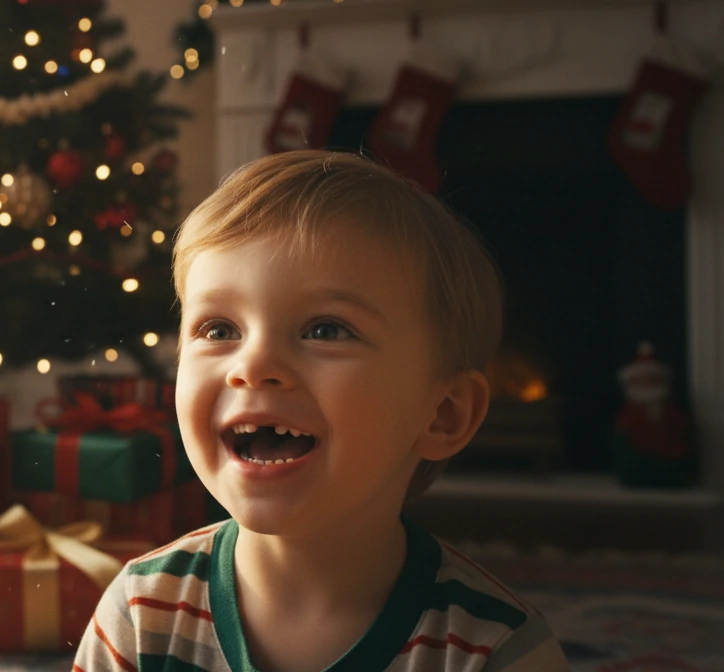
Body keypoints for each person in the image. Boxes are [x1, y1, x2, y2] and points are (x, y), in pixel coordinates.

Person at [74, 151, 568, 671]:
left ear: (443, 413)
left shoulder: (498, 651)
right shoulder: (140, 612)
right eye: (219, 329)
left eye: (325, 330)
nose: (253, 365)